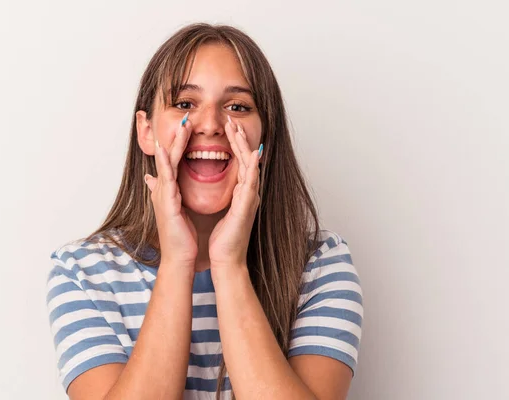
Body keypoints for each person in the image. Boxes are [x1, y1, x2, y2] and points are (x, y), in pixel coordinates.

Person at [45, 23, 363, 400]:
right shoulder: (81, 272)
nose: (211, 125)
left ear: (266, 134)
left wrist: (229, 265)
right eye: (184, 104)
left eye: (237, 107)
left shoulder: (322, 265)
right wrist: (178, 261)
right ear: (146, 131)